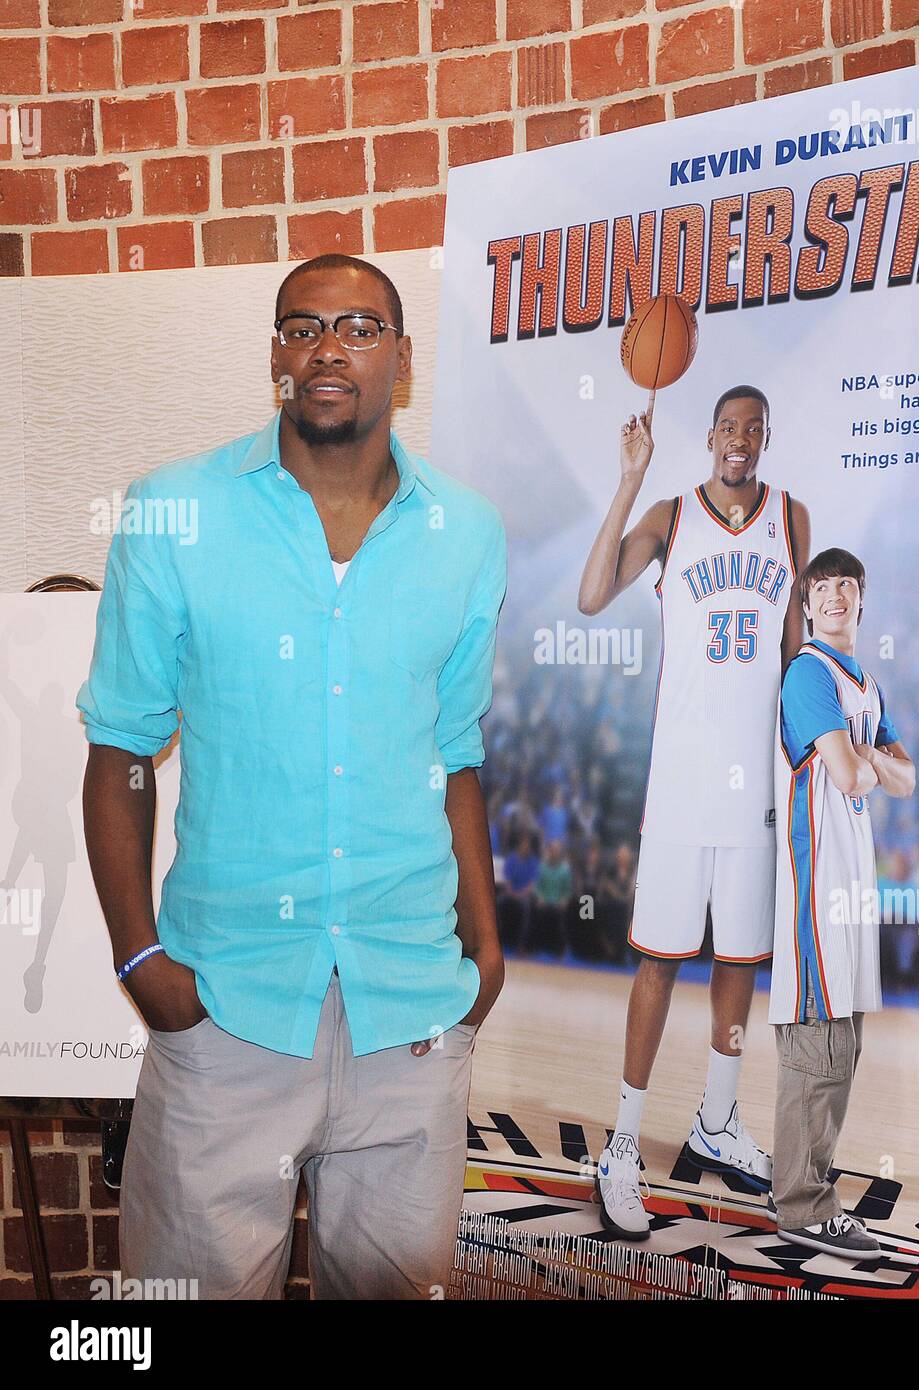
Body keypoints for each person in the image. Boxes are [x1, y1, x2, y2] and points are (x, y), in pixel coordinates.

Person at [77, 253, 507, 1300]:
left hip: (410, 1011)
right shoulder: (174, 512)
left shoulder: (466, 534)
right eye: (304, 326)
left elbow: (458, 756)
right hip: (224, 1008)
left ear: (399, 361)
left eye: (361, 327)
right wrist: (143, 962)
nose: (329, 348)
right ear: (276, 354)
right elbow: (120, 749)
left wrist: (486, 956)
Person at [579, 385, 810, 1239]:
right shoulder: (673, 517)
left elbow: (794, 655)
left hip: (754, 791)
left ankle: (717, 1121)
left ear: (765, 436)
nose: (741, 440)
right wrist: (630, 478)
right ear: (710, 436)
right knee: (660, 964)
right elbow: (593, 594)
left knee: (740, 963)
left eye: (755, 427)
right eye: (728, 428)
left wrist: (811, 764)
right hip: (680, 784)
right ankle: (624, 1146)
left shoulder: (793, 517)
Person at [769, 548, 915, 1258]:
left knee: (842, 1046)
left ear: (862, 600)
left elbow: (906, 780)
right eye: (821, 587)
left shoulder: (866, 684)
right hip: (816, 886)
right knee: (817, 1044)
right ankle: (800, 1205)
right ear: (807, 603)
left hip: (853, 889)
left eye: (846, 586)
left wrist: (873, 764)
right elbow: (856, 775)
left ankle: (812, 1190)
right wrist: (874, 764)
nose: (834, 596)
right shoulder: (807, 674)